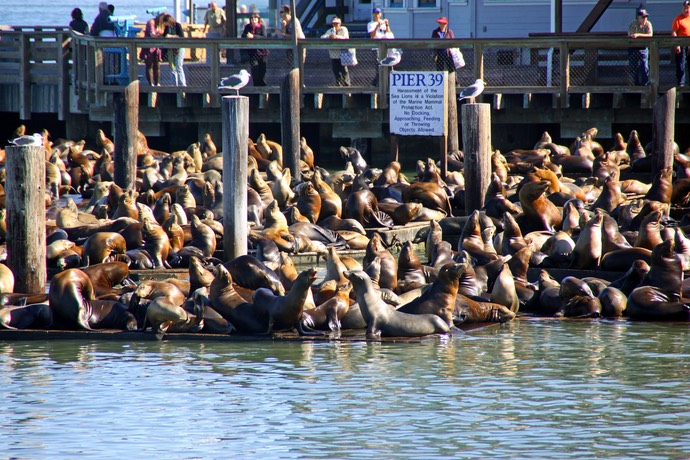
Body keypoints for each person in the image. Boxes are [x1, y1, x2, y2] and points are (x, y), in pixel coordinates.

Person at [321, 17, 350, 87]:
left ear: (340, 24)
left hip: (342, 53)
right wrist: (329, 36)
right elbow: (322, 37)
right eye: (333, 23)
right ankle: (338, 84)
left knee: (344, 70)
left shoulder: (343, 29)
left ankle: (347, 84)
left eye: (336, 23)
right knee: (335, 70)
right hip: (333, 54)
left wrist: (336, 36)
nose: (335, 25)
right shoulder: (330, 30)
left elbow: (346, 37)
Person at [139, 14, 168, 86]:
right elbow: (152, 34)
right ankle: (150, 84)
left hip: (157, 47)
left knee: (157, 65)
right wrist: (160, 36)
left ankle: (157, 83)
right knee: (149, 65)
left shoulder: (161, 25)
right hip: (149, 46)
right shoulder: (151, 22)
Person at [241, 12, 269, 86]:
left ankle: (263, 90)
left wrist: (253, 36)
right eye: (252, 19)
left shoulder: (262, 27)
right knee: (254, 71)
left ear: (258, 20)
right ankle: (256, 90)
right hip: (252, 53)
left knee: (262, 72)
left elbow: (264, 37)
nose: (254, 21)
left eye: (255, 19)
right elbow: (243, 36)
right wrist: (246, 36)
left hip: (262, 53)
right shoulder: (247, 27)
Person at [367, 8, 393, 85]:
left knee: (388, 64)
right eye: (375, 13)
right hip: (376, 47)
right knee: (379, 65)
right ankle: (376, 83)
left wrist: (387, 25)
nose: (377, 15)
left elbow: (389, 34)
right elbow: (373, 36)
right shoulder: (370, 24)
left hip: (385, 47)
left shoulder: (383, 23)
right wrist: (377, 26)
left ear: (380, 14)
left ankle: (387, 82)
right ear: (373, 14)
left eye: (378, 13)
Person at [627, 9, 652, 86]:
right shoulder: (633, 24)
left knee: (644, 67)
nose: (645, 19)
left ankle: (645, 85)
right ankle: (635, 85)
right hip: (633, 47)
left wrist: (638, 35)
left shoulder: (648, 24)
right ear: (638, 17)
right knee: (633, 67)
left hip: (643, 48)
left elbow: (650, 35)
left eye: (646, 17)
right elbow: (630, 35)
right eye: (643, 17)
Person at [163, 13, 187, 87]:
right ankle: (174, 85)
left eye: (166, 22)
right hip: (171, 49)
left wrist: (171, 36)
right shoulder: (167, 27)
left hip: (179, 48)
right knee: (172, 67)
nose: (165, 24)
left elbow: (181, 36)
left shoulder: (177, 25)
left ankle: (183, 85)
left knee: (179, 66)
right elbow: (165, 35)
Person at [672, 1, 690, 86]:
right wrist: (677, 44)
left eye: (688, 8)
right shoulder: (678, 18)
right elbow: (674, 32)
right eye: (685, 8)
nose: (686, 9)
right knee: (681, 64)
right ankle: (681, 84)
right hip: (681, 44)